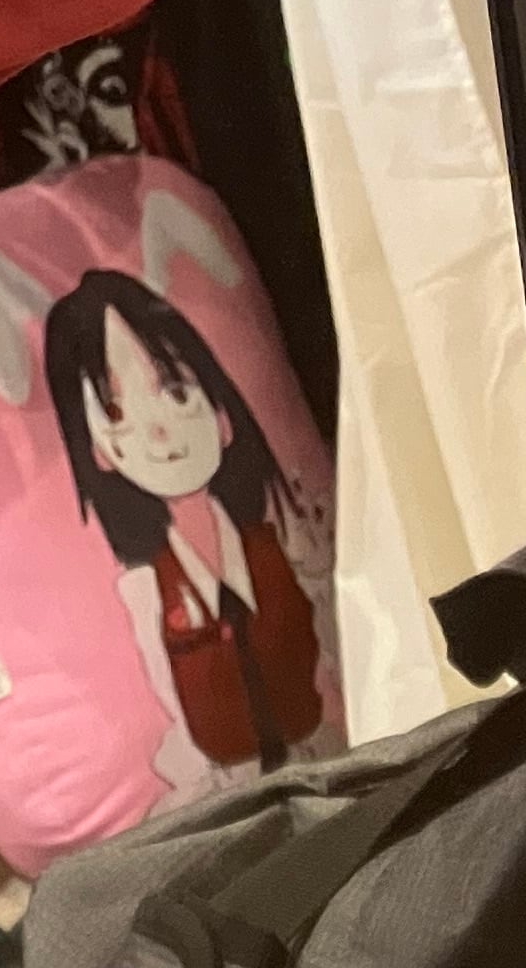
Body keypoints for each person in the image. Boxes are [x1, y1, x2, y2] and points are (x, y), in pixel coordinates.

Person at [44, 269, 332, 795]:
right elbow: (173, 709)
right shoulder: (144, 590)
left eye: (176, 391)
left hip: (342, 750)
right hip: (228, 797)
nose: (158, 431)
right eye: (115, 411)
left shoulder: (282, 530)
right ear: (100, 452)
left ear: (221, 413)